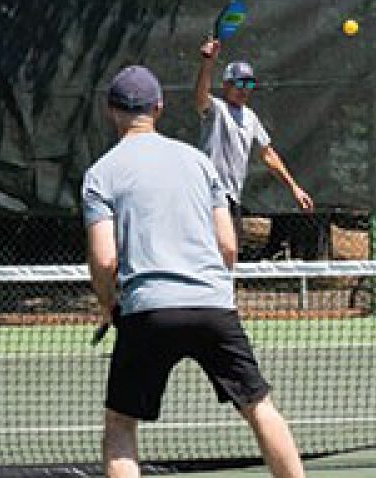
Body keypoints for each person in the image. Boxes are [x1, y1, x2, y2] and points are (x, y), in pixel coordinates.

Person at [83, 65, 306, 478]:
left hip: (147, 311)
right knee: (260, 408)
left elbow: (104, 260)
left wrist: (107, 304)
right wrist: (217, 291)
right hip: (213, 308)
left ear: (111, 110)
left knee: (120, 425)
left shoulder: (100, 175)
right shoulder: (200, 163)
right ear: (159, 108)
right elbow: (228, 244)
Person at [196, 39, 315, 220]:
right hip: (209, 194)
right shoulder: (216, 109)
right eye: (240, 84)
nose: (245, 90)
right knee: (225, 248)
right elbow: (200, 96)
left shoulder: (251, 118)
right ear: (226, 85)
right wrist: (207, 63)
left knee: (229, 248)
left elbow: (268, 155)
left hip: (232, 199)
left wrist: (294, 188)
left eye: (249, 85)